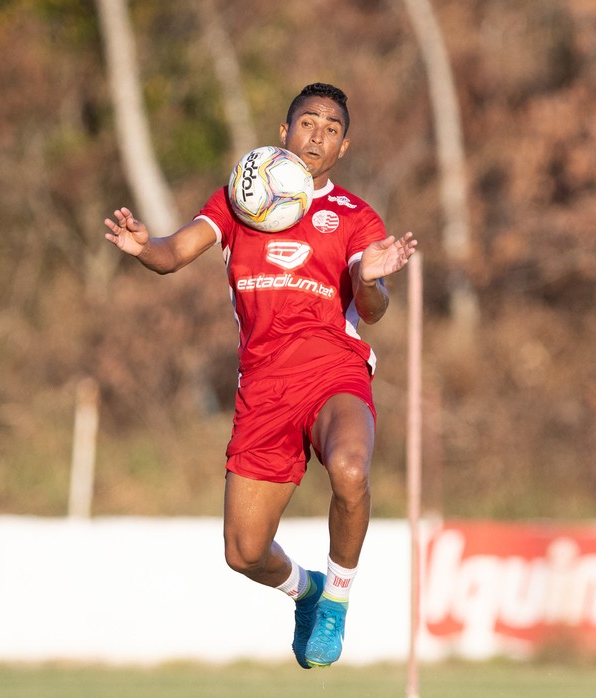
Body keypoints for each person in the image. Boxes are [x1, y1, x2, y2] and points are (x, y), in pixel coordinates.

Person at [104, 82, 417, 668]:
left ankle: (338, 603)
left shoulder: (353, 216)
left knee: (350, 469)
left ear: (343, 147)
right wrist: (146, 247)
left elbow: (371, 311)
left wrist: (371, 280)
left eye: (330, 129)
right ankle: (306, 590)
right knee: (244, 552)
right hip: (264, 388)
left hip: (333, 371)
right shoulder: (240, 200)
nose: (316, 136)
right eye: (307, 123)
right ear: (284, 130)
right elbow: (174, 254)